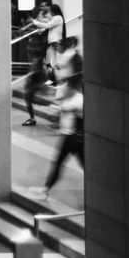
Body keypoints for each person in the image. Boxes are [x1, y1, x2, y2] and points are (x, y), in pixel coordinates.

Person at [34, 72, 84, 201]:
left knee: (59, 163)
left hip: (73, 138)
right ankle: (45, 190)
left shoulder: (78, 100)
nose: (65, 89)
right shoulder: (71, 97)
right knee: (78, 165)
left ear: (73, 88)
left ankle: (45, 190)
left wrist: (57, 107)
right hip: (71, 137)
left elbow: (67, 108)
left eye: (67, 87)